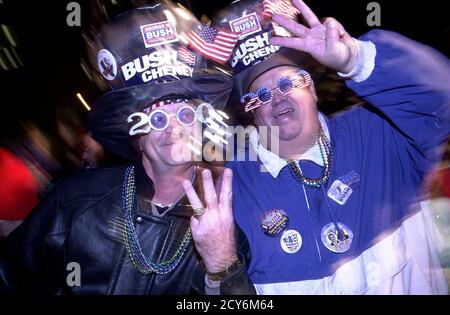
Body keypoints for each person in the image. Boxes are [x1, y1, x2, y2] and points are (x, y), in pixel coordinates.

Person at [186, 0, 450, 294]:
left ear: (311, 87)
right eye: (261, 94)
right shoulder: (230, 189)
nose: (277, 99)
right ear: (252, 111)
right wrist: (222, 268)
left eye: (287, 83)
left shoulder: (379, 134)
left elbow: (442, 98)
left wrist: (355, 59)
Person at [0, 2, 254, 294]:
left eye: (185, 114)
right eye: (157, 119)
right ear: (138, 138)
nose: (174, 127)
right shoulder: (75, 198)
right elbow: (10, 277)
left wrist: (222, 262)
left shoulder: (224, 222)